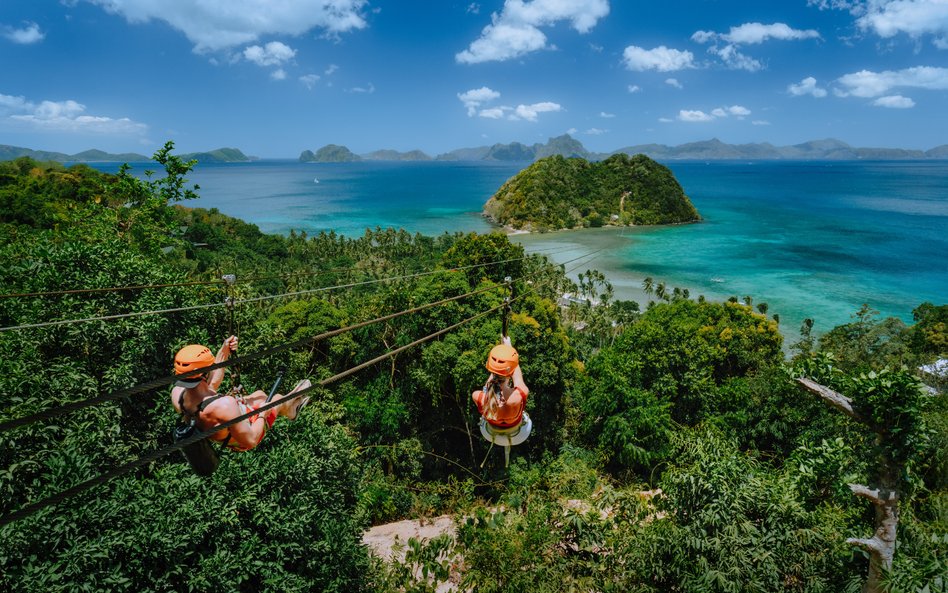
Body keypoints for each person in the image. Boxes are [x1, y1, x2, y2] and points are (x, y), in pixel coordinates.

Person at [170, 335, 310, 451]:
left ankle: (290, 405)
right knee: (275, 400)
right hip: (241, 439)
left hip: (219, 427)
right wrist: (262, 414)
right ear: (205, 374)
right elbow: (251, 440)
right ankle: (290, 409)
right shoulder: (225, 405)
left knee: (259, 394)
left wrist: (224, 350)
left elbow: (212, 386)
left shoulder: (177, 394)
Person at [472, 337, 529, 429]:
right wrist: (509, 349)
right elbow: (517, 377)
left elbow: (486, 389)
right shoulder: (520, 395)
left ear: (489, 366)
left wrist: (497, 365)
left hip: (493, 427)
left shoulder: (478, 397)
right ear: (510, 372)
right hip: (514, 425)